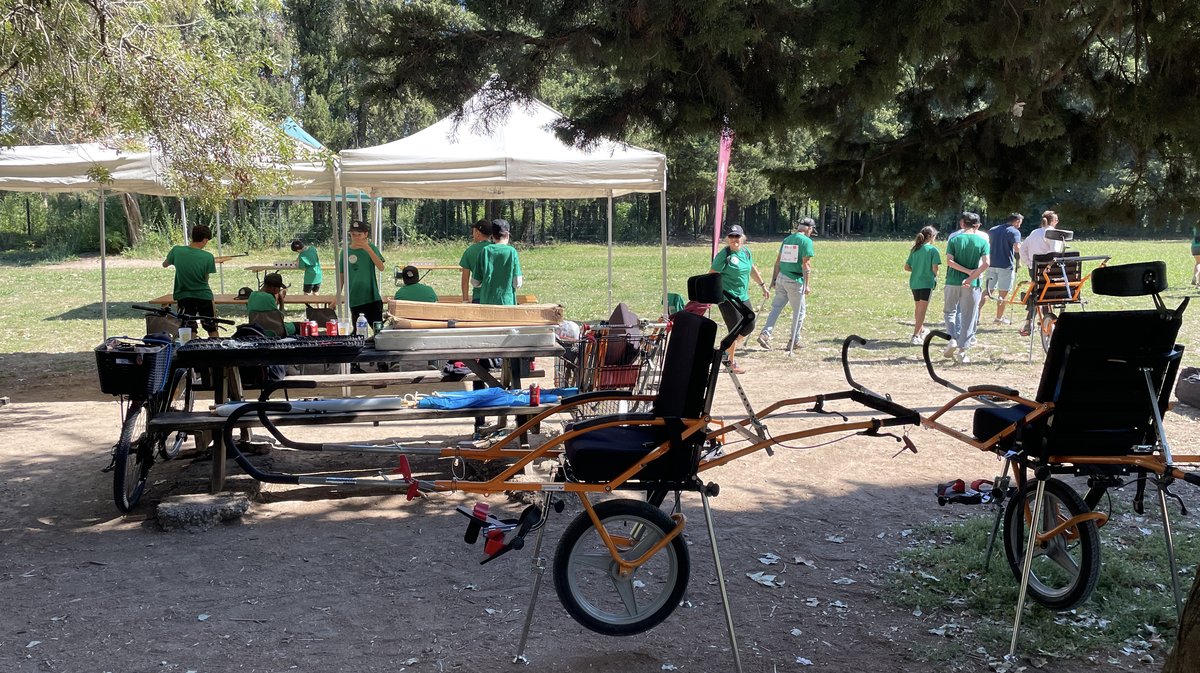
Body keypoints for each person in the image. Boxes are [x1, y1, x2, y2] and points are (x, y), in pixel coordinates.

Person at [709, 224, 768, 374]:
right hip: (727, 297)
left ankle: (725, 350)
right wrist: (710, 295)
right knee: (734, 329)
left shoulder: (746, 252)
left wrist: (762, 285)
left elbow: (752, 269)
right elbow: (712, 274)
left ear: (743, 238)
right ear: (727, 238)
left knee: (749, 325)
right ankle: (730, 363)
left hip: (742, 296)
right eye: (731, 236)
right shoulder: (724, 255)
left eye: (737, 236)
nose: (734, 239)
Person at [756, 217, 815, 355]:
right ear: (809, 229)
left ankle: (765, 334)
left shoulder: (787, 239)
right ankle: (794, 340)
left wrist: (774, 279)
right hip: (795, 280)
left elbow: (778, 262)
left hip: (781, 277)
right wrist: (807, 285)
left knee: (776, 308)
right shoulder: (807, 241)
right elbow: (806, 264)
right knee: (799, 312)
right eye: (812, 230)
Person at [942, 212, 989, 363]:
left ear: (963, 224)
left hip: (952, 280)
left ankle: (952, 338)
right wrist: (971, 276)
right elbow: (987, 263)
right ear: (978, 225)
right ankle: (963, 351)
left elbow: (950, 261)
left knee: (950, 311)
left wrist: (966, 272)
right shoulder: (982, 241)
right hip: (973, 283)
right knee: (969, 316)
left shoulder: (954, 239)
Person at [162, 223, 220, 338]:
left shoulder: (177, 251)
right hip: (204, 295)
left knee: (188, 328)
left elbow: (165, 264)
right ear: (204, 240)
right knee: (211, 327)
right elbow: (205, 278)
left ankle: (190, 351)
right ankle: (216, 350)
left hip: (183, 295)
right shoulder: (208, 256)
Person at [1017, 210, 1064, 337]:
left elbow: (1023, 249)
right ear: (1053, 221)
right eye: (1057, 220)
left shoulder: (1034, 233)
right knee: (1045, 293)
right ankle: (1046, 319)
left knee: (1037, 293)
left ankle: (1030, 322)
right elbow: (1054, 253)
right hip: (1050, 270)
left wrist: (1029, 263)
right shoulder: (1054, 233)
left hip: (1034, 268)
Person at [339, 220, 386, 334]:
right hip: (355, 298)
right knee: (358, 332)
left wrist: (368, 249)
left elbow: (381, 267)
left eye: (359, 234)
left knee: (378, 332)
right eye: (353, 234)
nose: (356, 237)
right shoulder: (345, 251)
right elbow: (342, 274)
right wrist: (338, 294)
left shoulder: (371, 248)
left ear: (366, 234)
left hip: (372, 296)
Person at [981, 213, 1023, 325]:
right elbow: (1017, 247)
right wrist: (1019, 260)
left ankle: (976, 315)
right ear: (1017, 221)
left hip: (991, 264)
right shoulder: (1014, 231)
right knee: (1002, 294)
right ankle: (998, 318)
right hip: (1005, 266)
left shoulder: (993, 229)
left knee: (987, 291)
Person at [471, 219, 523, 305]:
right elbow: (517, 283)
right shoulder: (512, 252)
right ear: (507, 234)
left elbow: (475, 282)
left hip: (486, 303)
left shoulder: (485, 251)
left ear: (492, 235)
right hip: (507, 302)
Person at [904, 225, 940, 345]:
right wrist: (936, 275)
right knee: (922, 311)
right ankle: (916, 335)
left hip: (914, 282)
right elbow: (935, 268)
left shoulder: (915, 249)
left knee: (918, 308)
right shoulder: (933, 250)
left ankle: (922, 329)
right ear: (930, 237)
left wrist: (917, 270)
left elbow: (907, 267)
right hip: (926, 283)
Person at [246, 272, 296, 336]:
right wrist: (281, 302)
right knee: (299, 326)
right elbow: (280, 319)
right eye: (278, 288)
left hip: (257, 330)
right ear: (273, 287)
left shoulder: (252, 295)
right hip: (273, 331)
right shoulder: (269, 297)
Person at [459, 220, 493, 302]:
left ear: (477, 232)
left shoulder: (469, 251)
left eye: (473, 231)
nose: (472, 234)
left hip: (479, 297)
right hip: (497, 296)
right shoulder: (497, 248)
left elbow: (465, 280)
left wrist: (465, 300)